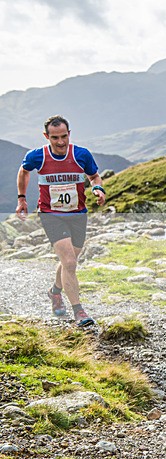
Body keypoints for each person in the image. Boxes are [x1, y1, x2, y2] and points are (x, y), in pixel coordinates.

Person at [16, 115, 106, 327]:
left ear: (69, 134)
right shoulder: (37, 156)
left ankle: (55, 291)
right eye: (55, 137)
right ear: (46, 136)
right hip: (51, 214)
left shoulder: (81, 155)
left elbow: (94, 176)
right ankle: (79, 311)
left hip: (77, 214)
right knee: (69, 262)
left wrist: (98, 188)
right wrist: (22, 198)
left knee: (70, 261)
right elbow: (24, 171)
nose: (60, 142)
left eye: (64, 136)